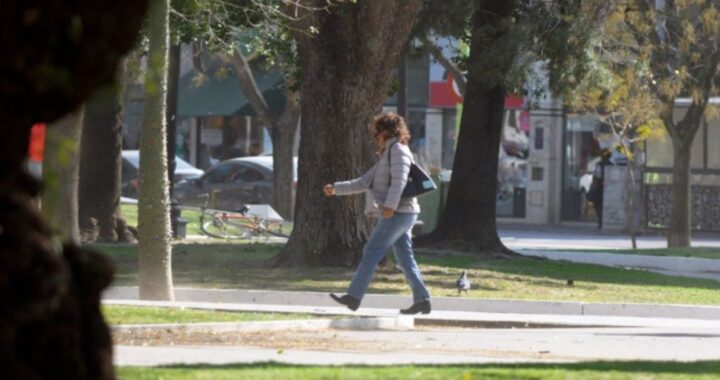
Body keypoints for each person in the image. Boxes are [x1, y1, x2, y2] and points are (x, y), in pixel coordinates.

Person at [323, 112, 432, 315]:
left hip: (398, 212)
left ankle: (354, 296)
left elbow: (399, 181)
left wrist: (390, 206)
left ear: (386, 132)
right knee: (405, 259)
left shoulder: (398, 151)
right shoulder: (387, 155)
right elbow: (364, 182)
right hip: (401, 212)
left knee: (371, 251)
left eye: (377, 132)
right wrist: (336, 188)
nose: (375, 137)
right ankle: (422, 300)